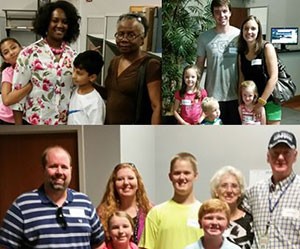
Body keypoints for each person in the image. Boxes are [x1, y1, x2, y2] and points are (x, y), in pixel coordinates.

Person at [0, 145, 104, 248]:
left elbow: (99, 244)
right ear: (43, 169)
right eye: (53, 166)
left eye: (64, 167)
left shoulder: (84, 202)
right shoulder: (22, 205)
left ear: (70, 170)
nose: (59, 172)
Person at [11, 0, 80, 125]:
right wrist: (18, 130)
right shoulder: (29, 53)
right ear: (46, 23)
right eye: (55, 20)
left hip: (65, 125)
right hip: (34, 124)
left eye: (65, 22)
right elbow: (17, 99)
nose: (60, 25)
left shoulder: (74, 56)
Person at [240, 130, 300, 249]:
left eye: (286, 153)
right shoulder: (254, 191)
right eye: (275, 153)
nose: (280, 157)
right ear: (268, 157)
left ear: (295, 156)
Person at [103, 13, 161, 124]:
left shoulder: (151, 65)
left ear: (142, 39)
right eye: (120, 34)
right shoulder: (114, 61)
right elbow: (109, 94)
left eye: (131, 35)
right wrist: (87, 80)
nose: (124, 39)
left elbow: (156, 106)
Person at [139, 152, 203, 249]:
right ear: (170, 176)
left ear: (195, 175)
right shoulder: (156, 213)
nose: (182, 177)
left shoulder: (204, 213)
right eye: (177, 173)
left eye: (186, 173)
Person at [196, 0, 240, 125]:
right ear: (213, 15)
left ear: (230, 12)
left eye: (225, 11)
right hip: (213, 98)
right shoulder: (204, 37)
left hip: (236, 95)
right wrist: (196, 88)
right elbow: (199, 64)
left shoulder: (239, 35)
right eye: (217, 12)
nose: (222, 16)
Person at [238, 15, 280, 125]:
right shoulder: (241, 53)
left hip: (269, 100)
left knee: (271, 137)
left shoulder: (267, 47)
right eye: (246, 28)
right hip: (249, 102)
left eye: (253, 28)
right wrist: (241, 101)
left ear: (259, 31)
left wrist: (260, 103)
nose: (249, 31)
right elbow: (241, 79)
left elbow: (274, 77)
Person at [97, 163, 152, 245]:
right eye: (120, 179)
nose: (126, 183)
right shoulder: (102, 213)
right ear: (114, 185)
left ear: (138, 183)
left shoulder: (150, 210)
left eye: (130, 178)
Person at [210, 166, 254, 249]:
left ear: (240, 191)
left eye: (234, 186)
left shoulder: (250, 221)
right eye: (224, 186)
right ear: (216, 191)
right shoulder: (209, 219)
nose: (229, 190)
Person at [67, 50, 106, 125]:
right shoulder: (76, 90)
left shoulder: (95, 103)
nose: (73, 76)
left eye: (79, 73)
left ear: (92, 77)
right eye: (74, 70)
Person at [0, 37, 32, 124]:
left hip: (27, 117)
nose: (11, 53)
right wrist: (30, 85)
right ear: (5, 60)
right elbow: (6, 100)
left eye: (13, 47)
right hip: (6, 119)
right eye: (6, 52)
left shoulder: (33, 66)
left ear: (21, 48)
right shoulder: (8, 72)